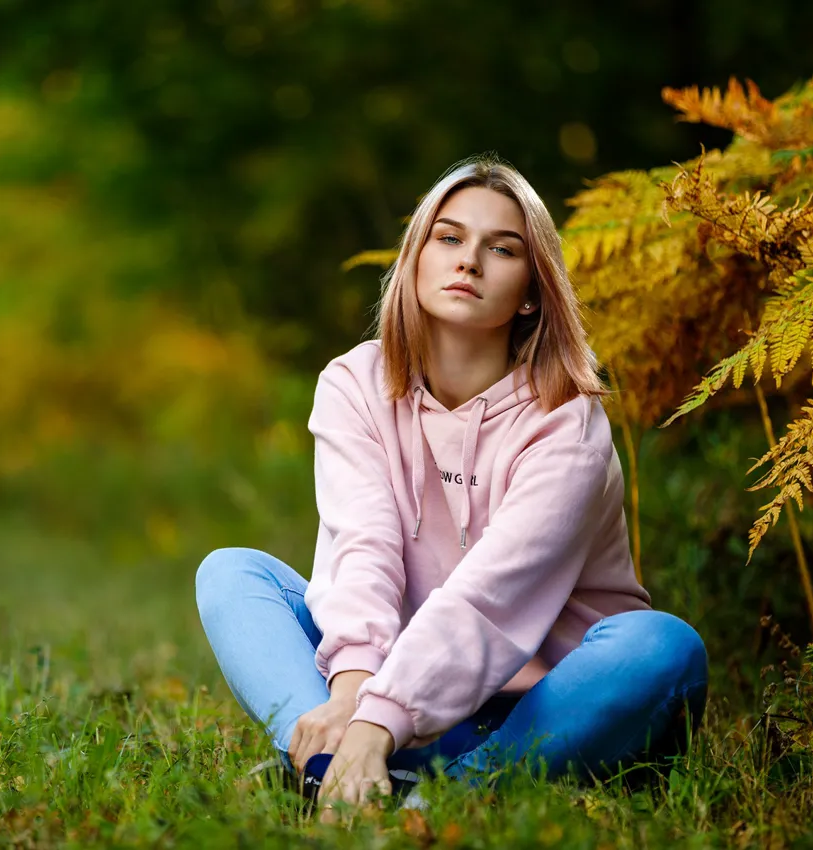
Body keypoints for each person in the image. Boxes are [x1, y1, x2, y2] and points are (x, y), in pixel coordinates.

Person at [195, 155, 708, 820]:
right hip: (387, 697)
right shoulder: (355, 385)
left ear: (530, 291)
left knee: (662, 647)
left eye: (502, 249)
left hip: (547, 709)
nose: (469, 261)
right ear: (415, 260)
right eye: (449, 237)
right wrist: (355, 694)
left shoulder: (567, 422)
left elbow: (491, 599)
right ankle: (338, 769)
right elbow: (364, 546)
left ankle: (436, 795)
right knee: (233, 574)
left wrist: (380, 718)